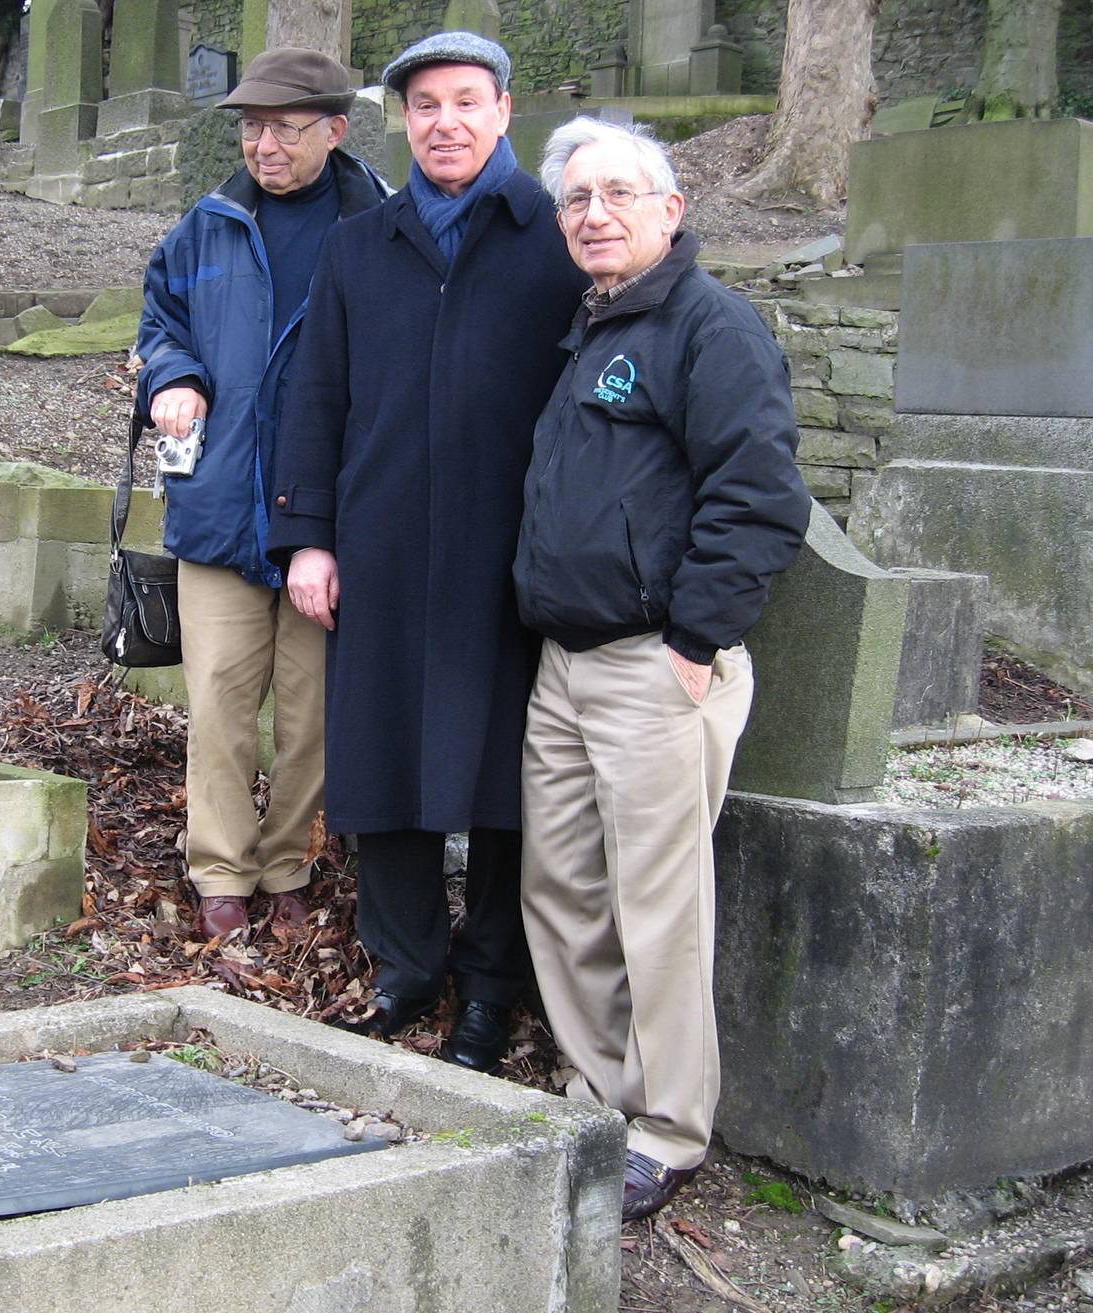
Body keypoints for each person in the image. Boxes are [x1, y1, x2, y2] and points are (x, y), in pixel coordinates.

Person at [266, 32, 586, 1072]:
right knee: (386, 759)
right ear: (402, 121)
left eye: (465, 101)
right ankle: (406, 966)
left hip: (509, 558)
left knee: (502, 783)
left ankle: (491, 987)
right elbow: (316, 397)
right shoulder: (363, 245)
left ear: (504, 110)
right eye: (425, 106)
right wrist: (308, 536)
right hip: (386, 546)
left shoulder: (554, 236)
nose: (445, 121)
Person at [515, 117, 812, 1220]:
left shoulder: (710, 327)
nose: (596, 213)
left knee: (659, 906)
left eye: (619, 193)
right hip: (566, 663)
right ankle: (596, 1094)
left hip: (656, 665)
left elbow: (760, 497)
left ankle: (671, 1125)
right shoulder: (590, 325)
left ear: (671, 210)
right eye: (577, 198)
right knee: (565, 891)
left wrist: (697, 641)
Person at [135, 48, 392, 942]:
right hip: (219, 509)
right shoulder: (207, 224)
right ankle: (220, 869)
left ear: (335, 130)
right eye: (249, 127)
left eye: (283, 127)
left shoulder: (381, 227)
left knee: (311, 710)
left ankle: (289, 861)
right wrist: (170, 375)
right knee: (216, 701)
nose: (262, 145)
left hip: (330, 518)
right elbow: (160, 319)